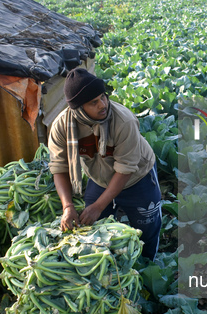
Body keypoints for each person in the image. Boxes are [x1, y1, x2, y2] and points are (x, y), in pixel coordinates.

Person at [48, 68, 162, 260]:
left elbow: (125, 169)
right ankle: (112, 268)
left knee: (146, 228)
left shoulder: (123, 121)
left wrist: (99, 205)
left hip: (137, 176)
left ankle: (149, 264)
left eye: (103, 97)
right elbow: (59, 168)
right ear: (78, 108)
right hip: (99, 178)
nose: (103, 104)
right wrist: (67, 206)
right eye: (94, 102)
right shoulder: (62, 126)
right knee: (94, 228)